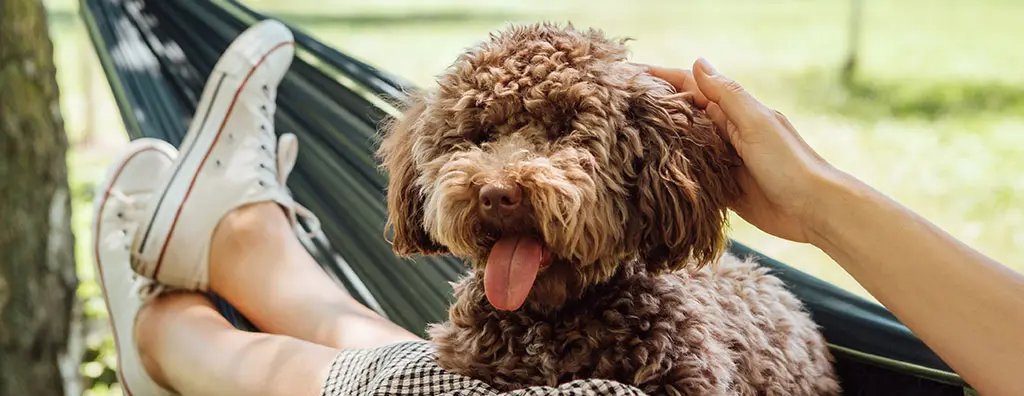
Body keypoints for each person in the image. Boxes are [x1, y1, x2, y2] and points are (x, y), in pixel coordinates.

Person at [92, 21, 1024, 396]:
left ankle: (185, 316)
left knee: (401, 375)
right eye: (476, 138)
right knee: (422, 361)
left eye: (558, 137)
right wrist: (815, 202)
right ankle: (229, 258)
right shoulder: (485, 310)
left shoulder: (678, 353)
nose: (503, 178)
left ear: (644, 175)